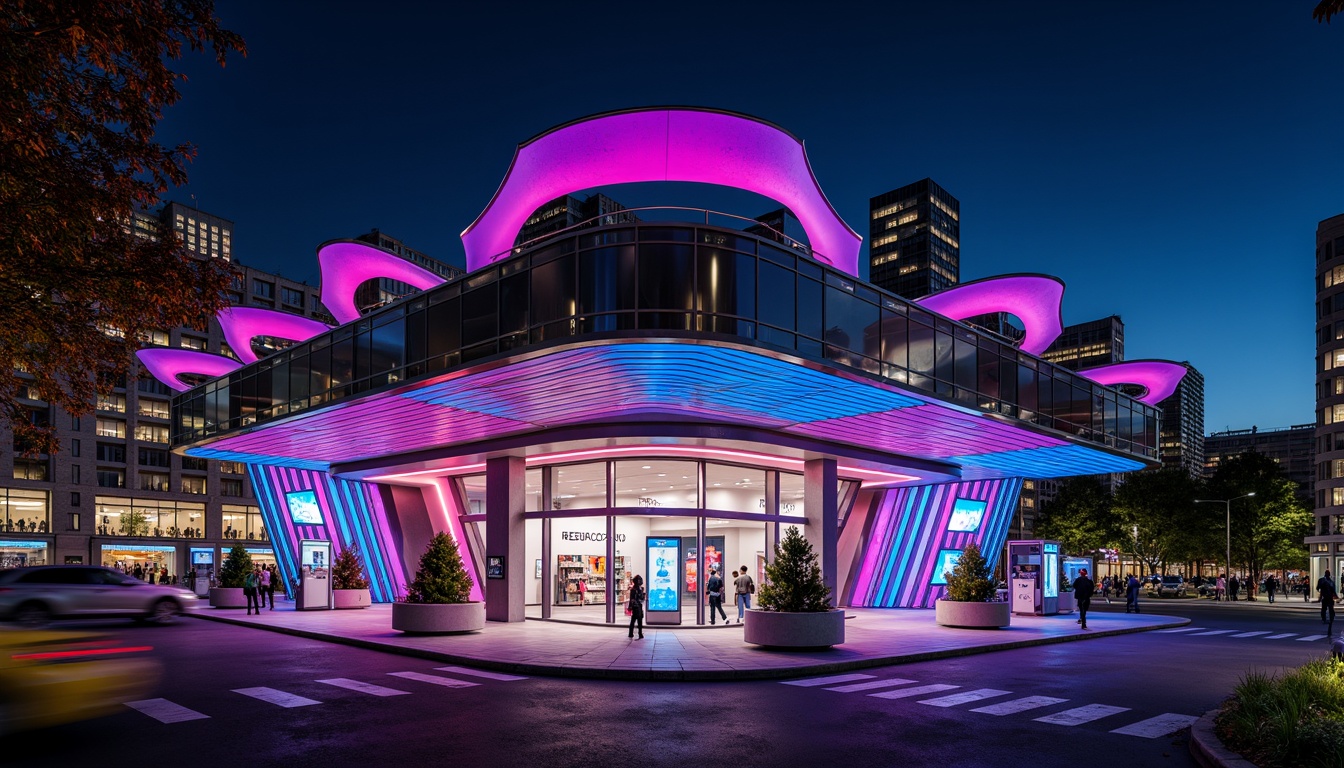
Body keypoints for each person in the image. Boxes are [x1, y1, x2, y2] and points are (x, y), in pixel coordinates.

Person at [627, 574, 645, 639]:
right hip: (636, 606)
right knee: (636, 620)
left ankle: (633, 633)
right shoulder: (634, 589)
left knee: (635, 620)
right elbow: (632, 599)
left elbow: (641, 598)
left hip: (638, 606)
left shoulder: (640, 589)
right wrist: (630, 606)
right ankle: (637, 633)